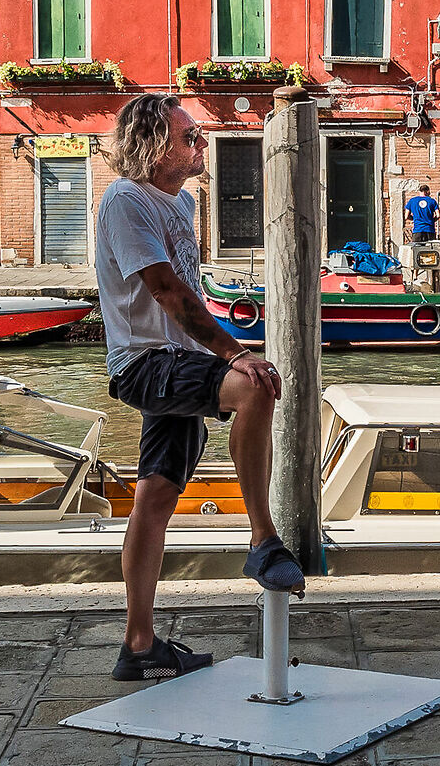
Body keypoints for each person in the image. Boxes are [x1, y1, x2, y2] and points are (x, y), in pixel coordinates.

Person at [94, 94, 303, 680]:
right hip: (144, 363)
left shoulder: (181, 202)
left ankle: (139, 646)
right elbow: (166, 290)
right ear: (156, 146)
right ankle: (263, 538)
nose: (200, 145)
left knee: (156, 497)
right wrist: (236, 354)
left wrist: (225, 341)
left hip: (178, 360)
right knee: (254, 388)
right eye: (189, 138)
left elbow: (190, 291)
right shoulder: (125, 201)